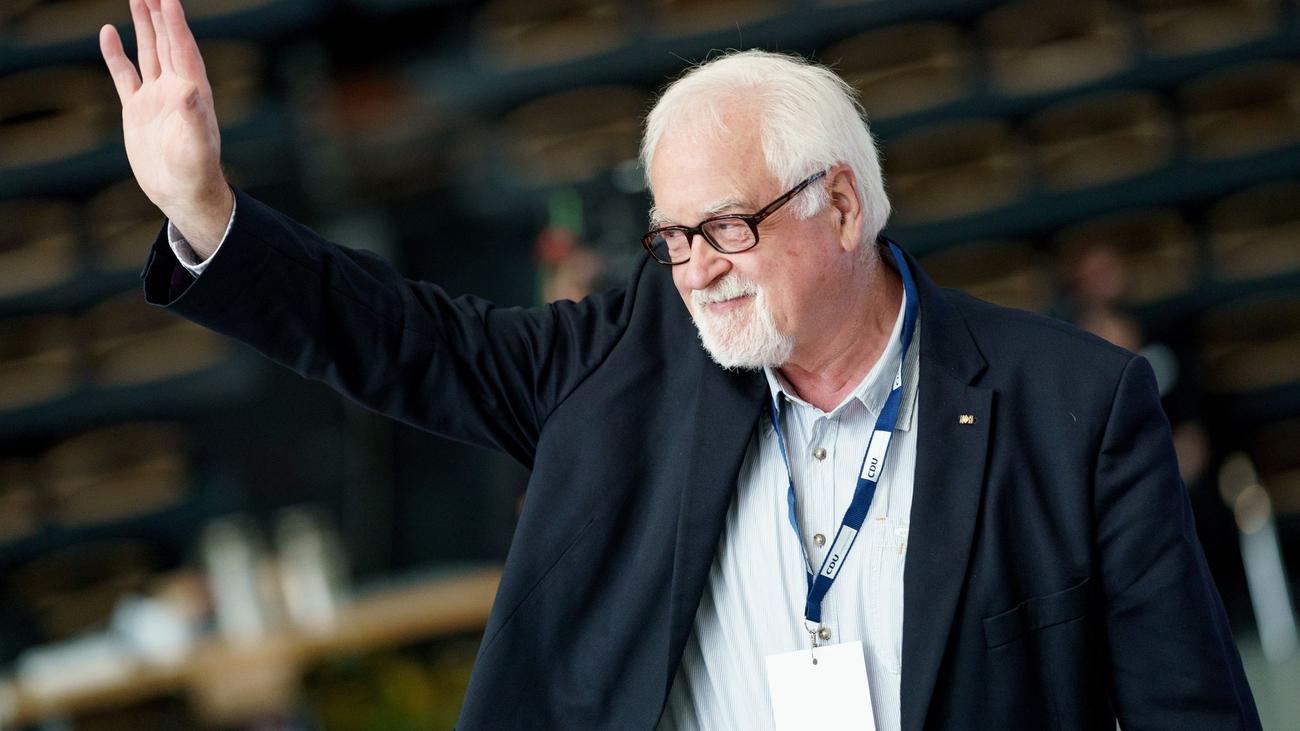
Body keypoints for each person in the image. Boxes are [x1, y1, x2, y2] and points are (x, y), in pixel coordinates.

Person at [100, 1, 1261, 728]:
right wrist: (206, 210)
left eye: (725, 227)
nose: (695, 269)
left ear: (839, 204)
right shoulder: (624, 368)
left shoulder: (1070, 404)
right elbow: (405, 337)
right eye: (672, 236)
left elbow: (1187, 708)